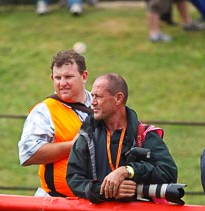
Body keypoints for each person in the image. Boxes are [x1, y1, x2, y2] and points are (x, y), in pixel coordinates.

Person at [66, 73, 178, 203]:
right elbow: (74, 179)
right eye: (92, 96)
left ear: (118, 98)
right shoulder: (88, 133)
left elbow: (169, 172)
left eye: (98, 96)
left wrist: (129, 170)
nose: (92, 103)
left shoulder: (144, 134)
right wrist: (109, 191)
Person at [18, 50, 92, 197]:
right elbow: (27, 154)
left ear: (84, 76)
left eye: (68, 77)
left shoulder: (100, 105)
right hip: (56, 203)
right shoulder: (44, 111)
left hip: (95, 202)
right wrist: (73, 146)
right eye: (58, 78)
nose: (62, 83)